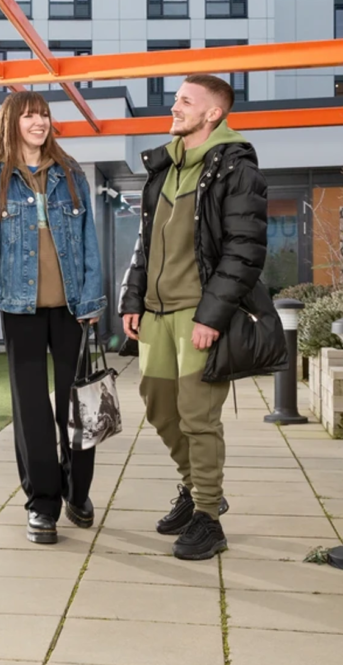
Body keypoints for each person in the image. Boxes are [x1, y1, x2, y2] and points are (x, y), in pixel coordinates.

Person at [120, 74, 285, 561]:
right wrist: (132, 299)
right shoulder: (164, 167)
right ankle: (195, 490)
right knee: (159, 408)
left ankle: (209, 518)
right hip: (156, 314)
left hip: (199, 315)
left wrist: (212, 315)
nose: (175, 107)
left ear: (213, 113)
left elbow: (244, 250)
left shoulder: (236, 169)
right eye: (176, 99)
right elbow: (146, 244)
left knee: (198, 417)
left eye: (185, 101)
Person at [0, 91, 106, 545]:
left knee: (79, 408)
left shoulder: (71, 174)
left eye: (43, 114)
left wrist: (91, 302)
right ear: (11, 123)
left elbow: (89, 243)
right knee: (32, 414)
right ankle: (43, 505)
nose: (39, 122)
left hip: (72, 313)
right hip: (19, 311)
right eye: (29, 116)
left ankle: (78, 492)